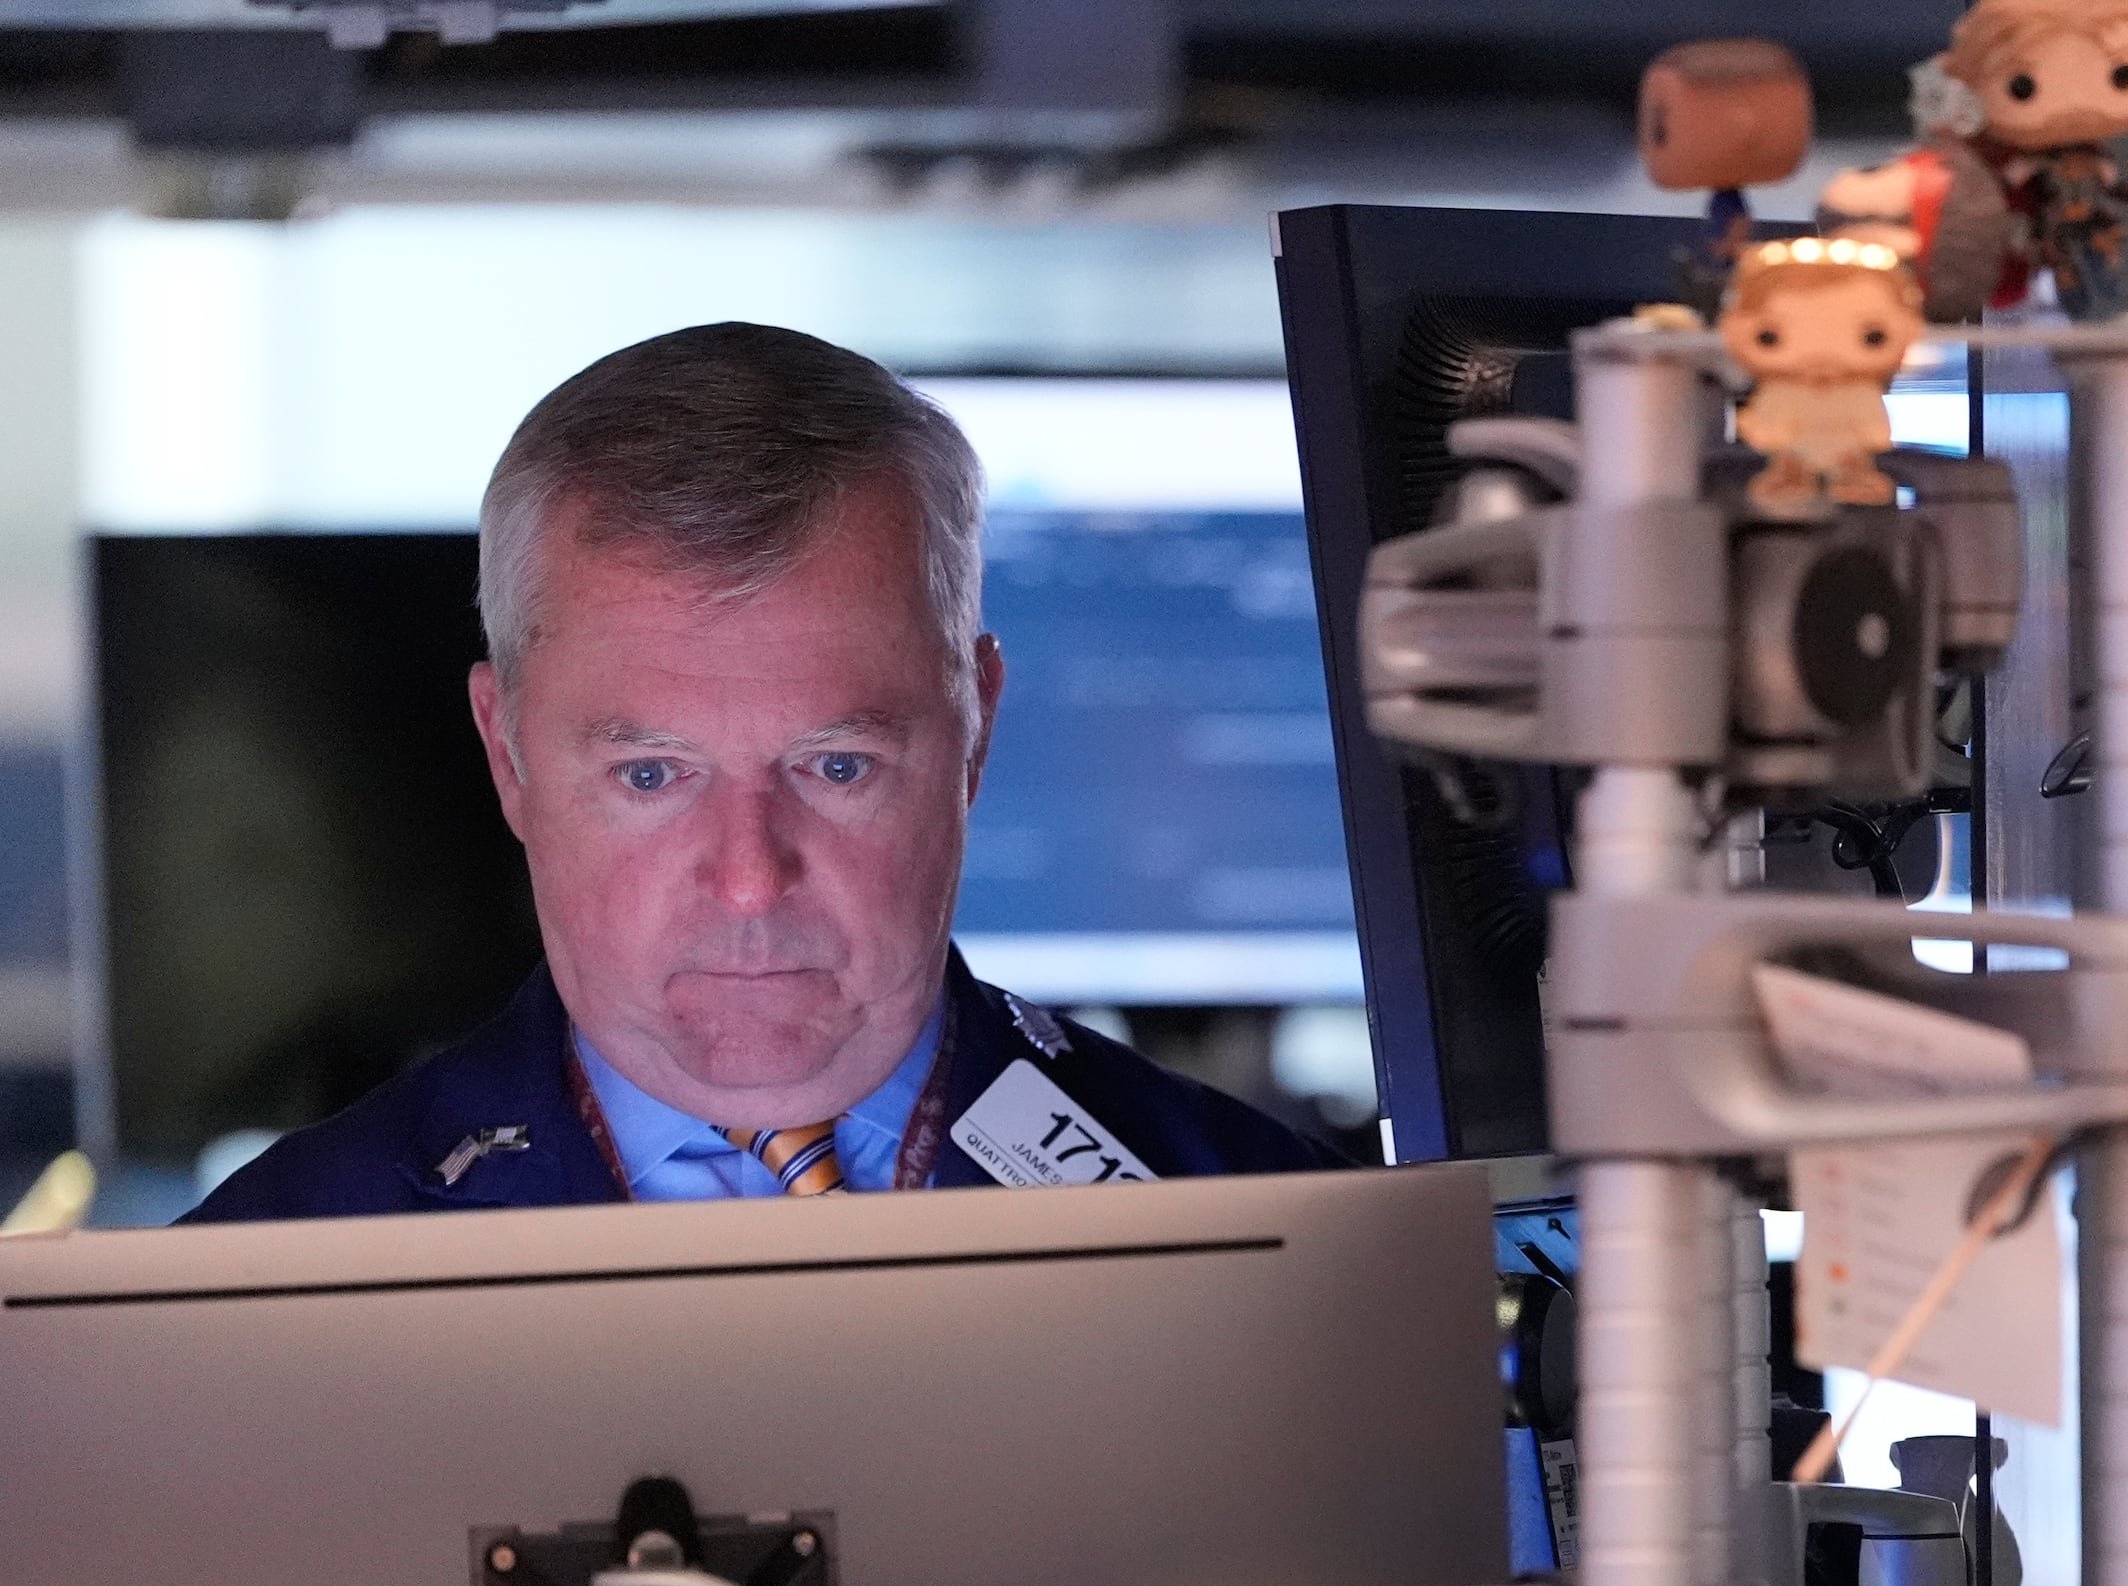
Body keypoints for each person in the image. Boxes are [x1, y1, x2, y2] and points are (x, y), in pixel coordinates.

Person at [188, 324, 1334, 1223]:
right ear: (510, 755)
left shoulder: (1286, 1243)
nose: (748, 880)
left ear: (974, 729)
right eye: (651, 776)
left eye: (836, 765)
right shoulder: (250, 1294)